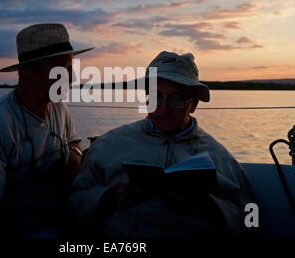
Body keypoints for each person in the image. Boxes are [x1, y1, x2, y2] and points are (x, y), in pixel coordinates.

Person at [68, 51, 256, 238]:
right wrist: (107, 198)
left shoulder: (220, 157)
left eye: (176, 98)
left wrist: (213, 209)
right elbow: (72, 204)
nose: (163, 108)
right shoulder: (108, 145)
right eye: (155, 96)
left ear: (193, 104)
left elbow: (253, 219)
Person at [0, 23, 93, 238]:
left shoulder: (58, 108)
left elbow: (74, 145)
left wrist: (74, 157)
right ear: (33, 71)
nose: (72, 78)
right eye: (64, 69)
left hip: (48, 225)